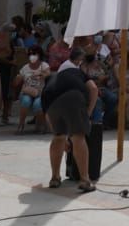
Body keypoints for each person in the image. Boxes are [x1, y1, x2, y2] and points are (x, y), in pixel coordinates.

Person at [40, 47, 97, 193]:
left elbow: (47, 114)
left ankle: (54, 178)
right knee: (78, 137)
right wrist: (88, 114)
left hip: (50, 101)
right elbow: (94, 89)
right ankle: (85, 180)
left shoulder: (54, 77)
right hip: (72, 96)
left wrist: (60, 134)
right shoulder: (78, 72)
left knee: (58, 137)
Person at [14, 47, 50, 131]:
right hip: (27, 92)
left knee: (37, 104)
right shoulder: (25, 68)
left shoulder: (44, 65)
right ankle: (21, 124)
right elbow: (15, 84)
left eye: (34, 54)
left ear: (39, 55)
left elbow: (48, 73)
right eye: (30, 54)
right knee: (26, 100)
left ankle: (40, 125)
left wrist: (41, 74)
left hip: (39, 92)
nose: (32, 56)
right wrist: (18, 78)